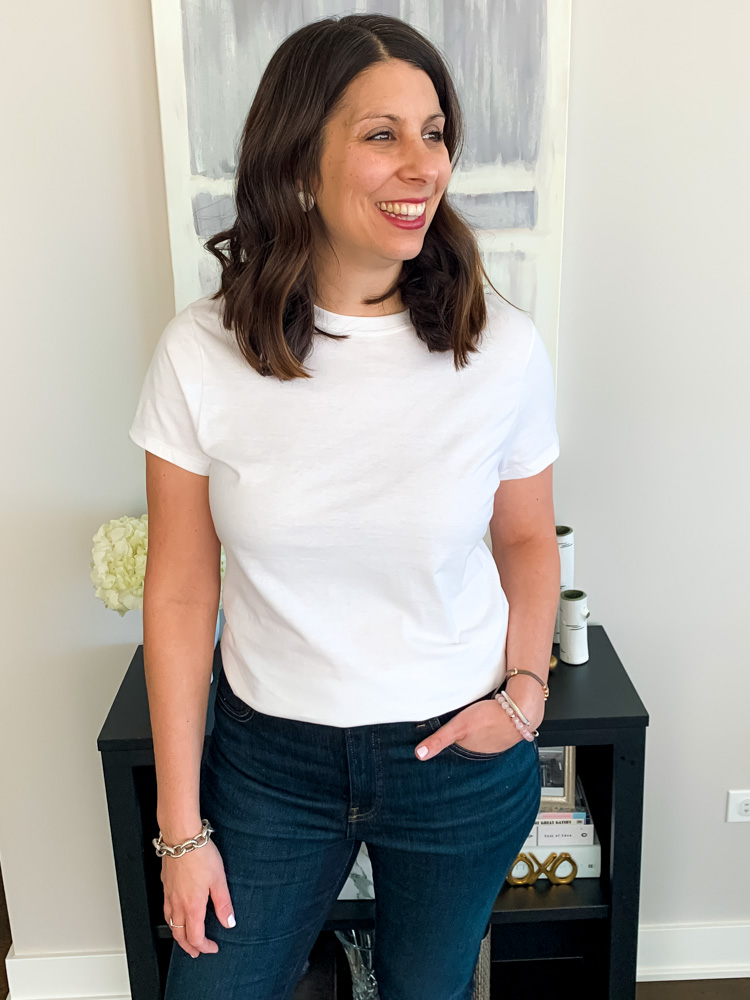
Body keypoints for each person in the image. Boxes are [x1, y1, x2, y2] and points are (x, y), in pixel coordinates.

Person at [128, 13, 561, 1000]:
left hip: (456, 750)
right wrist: (181, 833)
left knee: (427, 988)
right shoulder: (201, 354)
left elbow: (528, 536)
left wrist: (526, 691)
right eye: (382, 135)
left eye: (435, 131)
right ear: (297, 167)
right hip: (269, 762)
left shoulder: (501, 348)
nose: (423, 165)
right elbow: (184, 590)